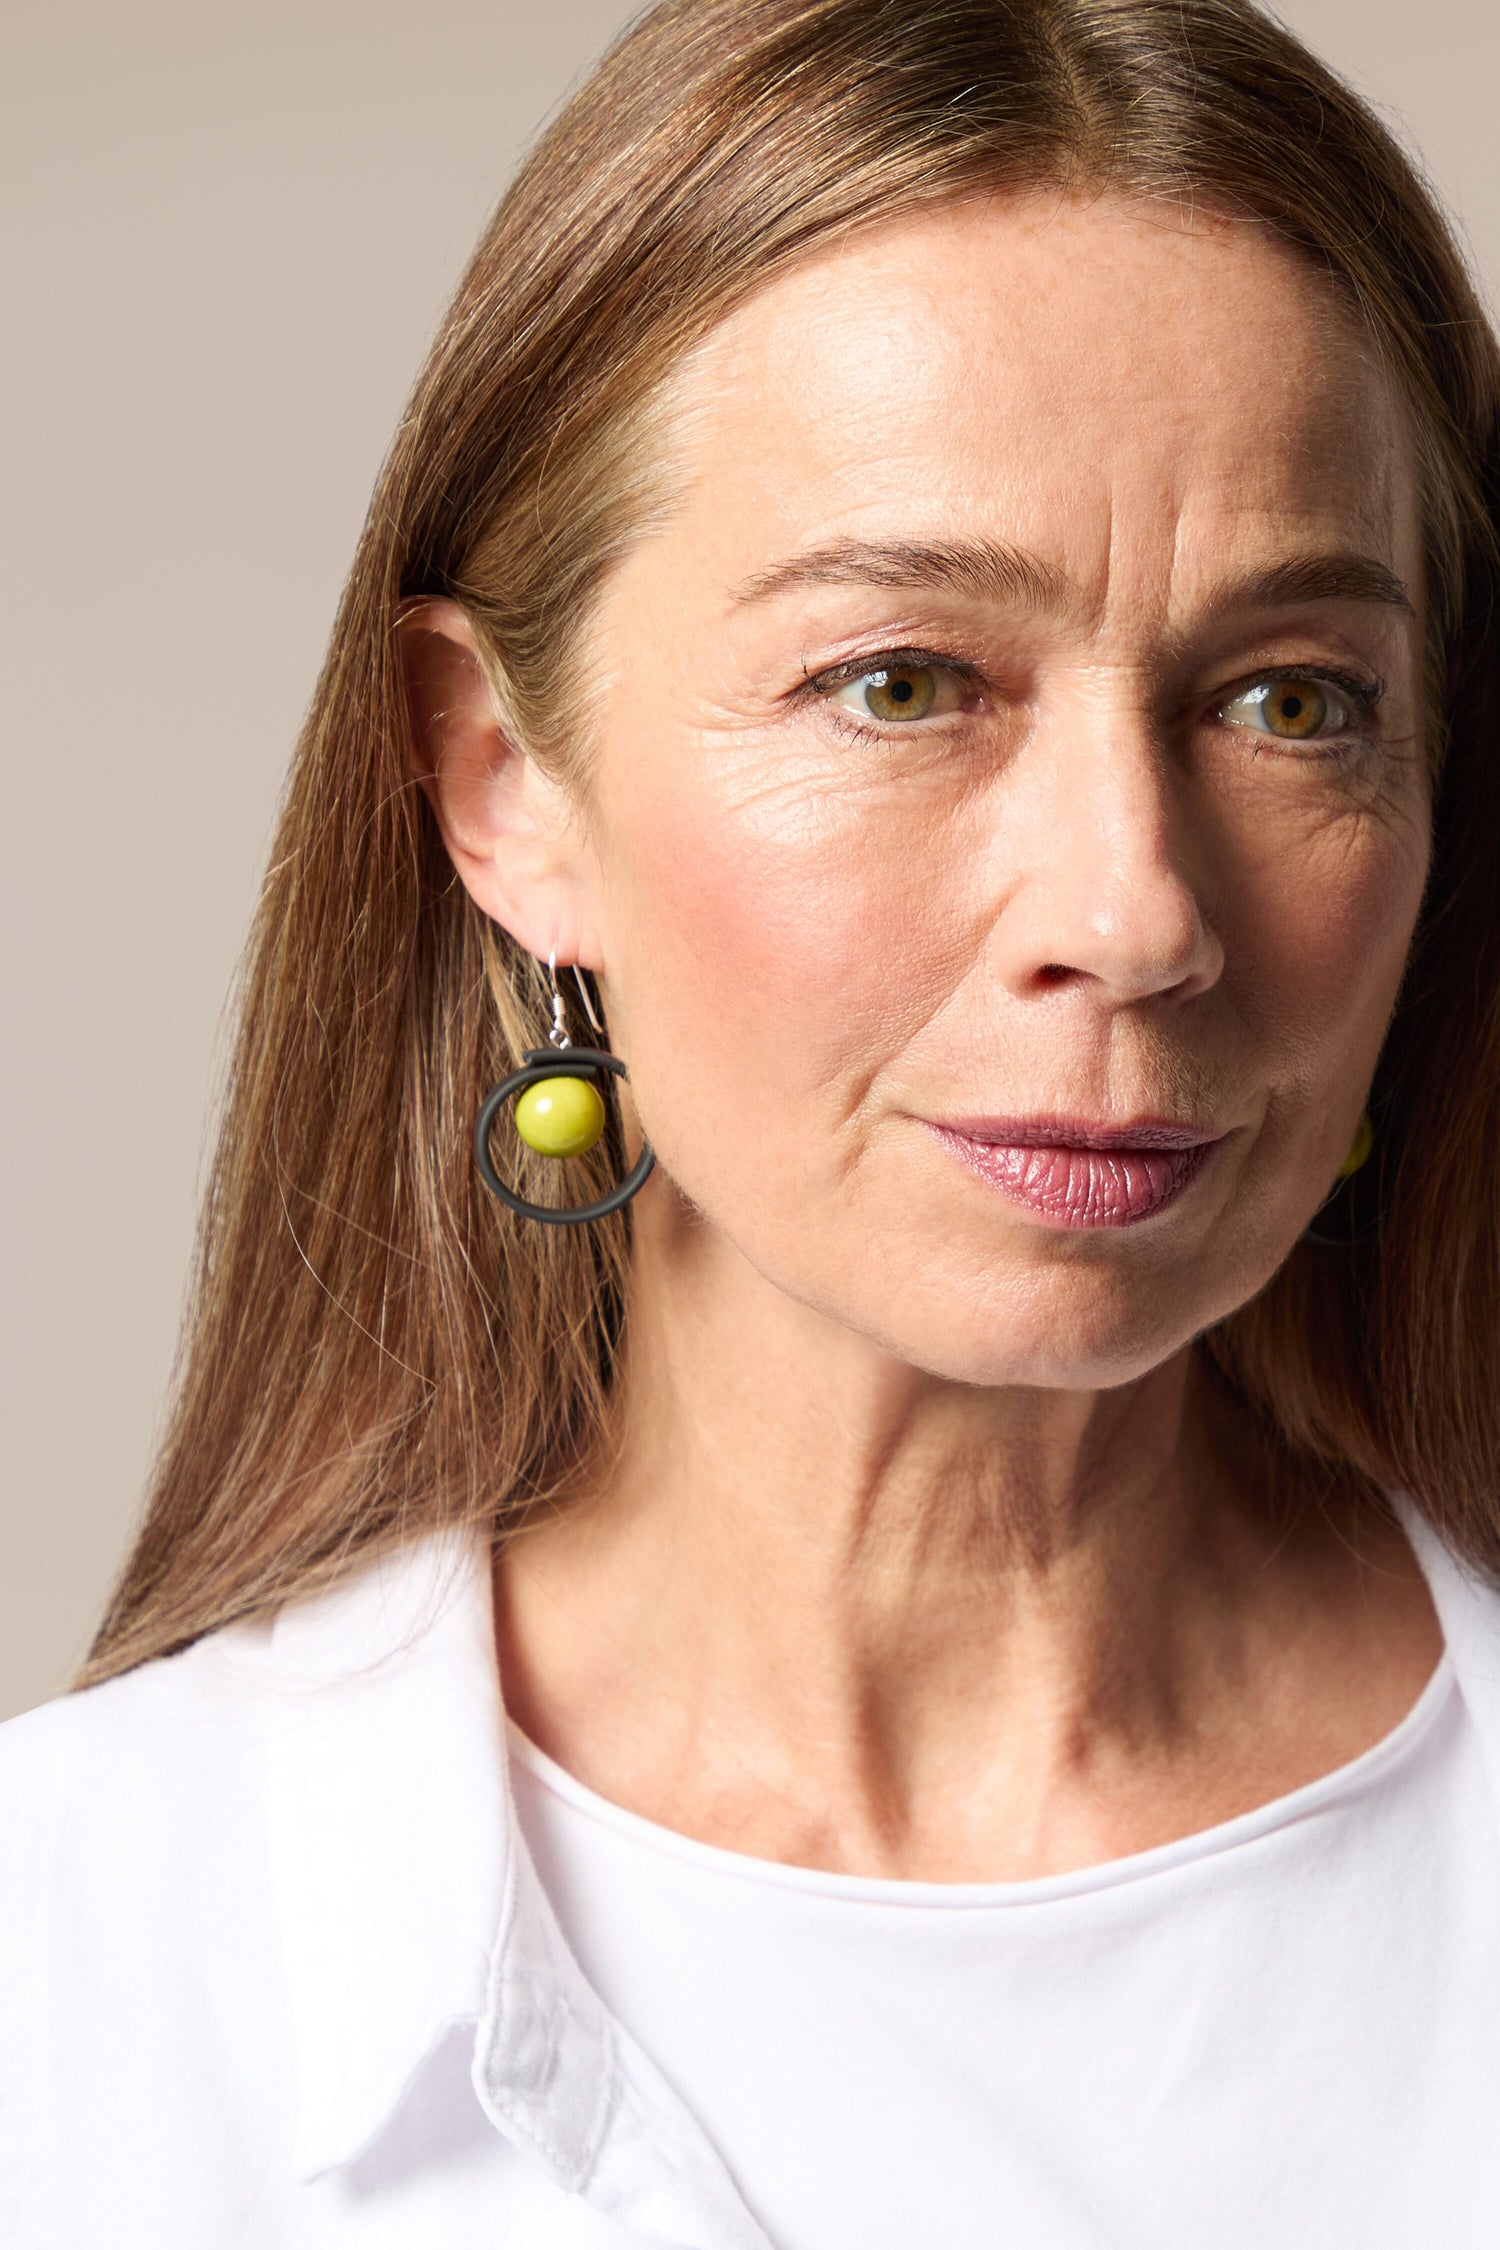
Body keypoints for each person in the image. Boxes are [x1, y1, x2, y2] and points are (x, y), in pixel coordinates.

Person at [6, 0, 1500, 2241]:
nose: (1137, 910)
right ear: (504, 786)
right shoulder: (80, 1978)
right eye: (899, 681)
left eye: (1291, 700)